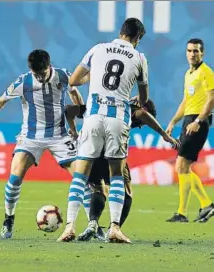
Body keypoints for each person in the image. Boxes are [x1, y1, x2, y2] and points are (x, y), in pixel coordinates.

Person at [0, 49, 84, 238]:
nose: (40, 78)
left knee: (82, 178)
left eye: (42, 74)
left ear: (49, 66)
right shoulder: (23, 81)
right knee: (15, 176)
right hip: (30, 137)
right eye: (36, 74)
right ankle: (8, 218)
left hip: (59, 135)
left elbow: (75, 94)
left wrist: (78, 118)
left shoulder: (63, 76)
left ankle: (92, 225)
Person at [57, 18, 148, 243]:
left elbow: (74, 80)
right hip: (118, 118)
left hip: (94, 117)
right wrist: (135, 98)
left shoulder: (98, 49)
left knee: (81, 175)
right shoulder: (139, 57)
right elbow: (143, 99)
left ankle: (69, 227)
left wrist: (94, 77)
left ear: (120, 32)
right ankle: (114, 228)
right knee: (116, 175)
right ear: (137, 38)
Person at [64, 98, 179, 241]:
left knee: (97, 188)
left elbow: (68, 110)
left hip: (89, 149)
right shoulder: (127, 109)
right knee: (126, 190)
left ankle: (92, 223)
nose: (141, 126)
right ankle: (114, 228)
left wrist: (74, 132)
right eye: (143, 124)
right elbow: (142, 114)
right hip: (112, 150)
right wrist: (164, 135)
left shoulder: (98, 102)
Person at [166, 38, 214, 223]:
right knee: (183, 166)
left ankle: (183, 212)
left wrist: (199, 121)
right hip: (188, 120)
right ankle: (205, 205)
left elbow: (211, 100)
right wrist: (173, 121)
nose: (192, 54)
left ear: (202, 53)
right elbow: (186, 101)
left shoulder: (206, 72)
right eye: (189, 51)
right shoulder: (189, 74)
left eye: (196, 51)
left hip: (198, 121)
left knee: (181, 165)